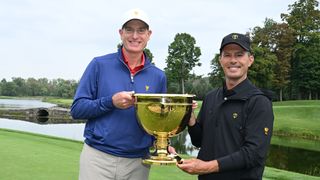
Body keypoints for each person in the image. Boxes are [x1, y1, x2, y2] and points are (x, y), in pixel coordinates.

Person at [70, 8, 167, 180]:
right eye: (129, 30)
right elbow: (77, 109)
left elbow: (159, 121)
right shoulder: (99, 65)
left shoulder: (158, 76)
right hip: (98, 158)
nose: (135, 36)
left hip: (138, 162)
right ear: (121, 33)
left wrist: (165, 144)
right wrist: (110, 102)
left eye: (141, 30)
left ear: (149, 34)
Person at [177, 33, 274, 180]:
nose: (233, 60)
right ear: (220, 60)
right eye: (227, 55)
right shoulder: (211, 97)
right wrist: (190, 118)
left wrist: (206, 167)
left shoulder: (259, 102)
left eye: (239, 55)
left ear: (250, 60)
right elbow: (199, 141)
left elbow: (254, 154)